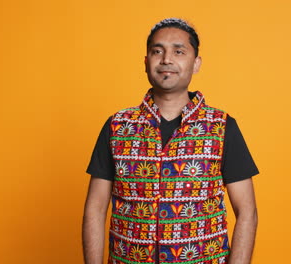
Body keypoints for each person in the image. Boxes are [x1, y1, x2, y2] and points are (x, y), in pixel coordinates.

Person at [83, 18, 259, 264]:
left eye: (178, 51)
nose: (166, 59)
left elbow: (247, 212)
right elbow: (95, 209)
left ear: (196, 63)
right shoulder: (117, 126)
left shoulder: (221, 127)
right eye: (157, 51)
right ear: (146, 63)